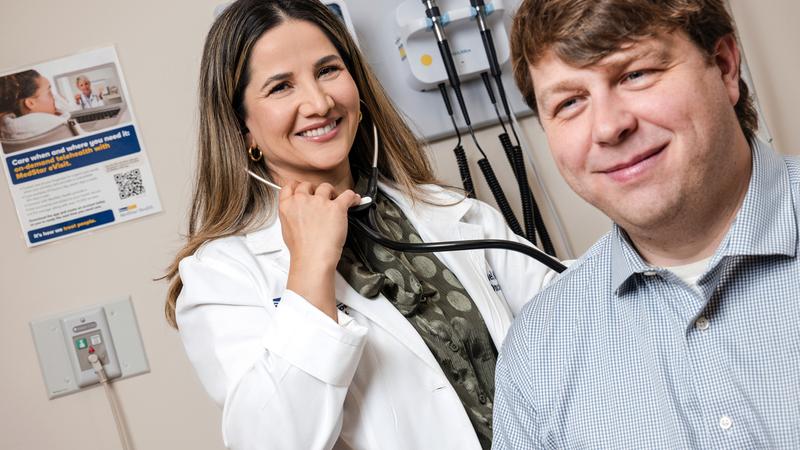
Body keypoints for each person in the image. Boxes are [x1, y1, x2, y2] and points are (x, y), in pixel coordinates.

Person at [164, 0, 556, 448]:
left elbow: (570, 320)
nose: (319, 102)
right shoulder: (222, 276)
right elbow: (271, 440)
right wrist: (310, 269)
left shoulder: (444, 210)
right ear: (244, 129)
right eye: (280, 87)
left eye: (328, 70)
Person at [493, 0, 800, 448]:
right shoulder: (538, 353)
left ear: (725, 66)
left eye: (635, 74)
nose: (609, 127)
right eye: (570, 101)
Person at [0, 70, 70, 141]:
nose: (55, 98)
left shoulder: (6, 137)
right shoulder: (63, 132)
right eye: (49, 93)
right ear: (30, 103)